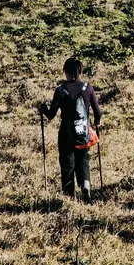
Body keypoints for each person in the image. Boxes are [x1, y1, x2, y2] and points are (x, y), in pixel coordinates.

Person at [40, 57, 102, 203]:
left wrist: (43, 108)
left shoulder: (60, 90)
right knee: (83, 160)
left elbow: (51, 115)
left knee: (67, 163)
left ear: (66, 71)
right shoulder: (88, 88)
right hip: (83, 132)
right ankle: (85, 187)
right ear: (80, 71)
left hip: (65, 134)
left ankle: (69, 196)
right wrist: (97, 123)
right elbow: (98, 112)